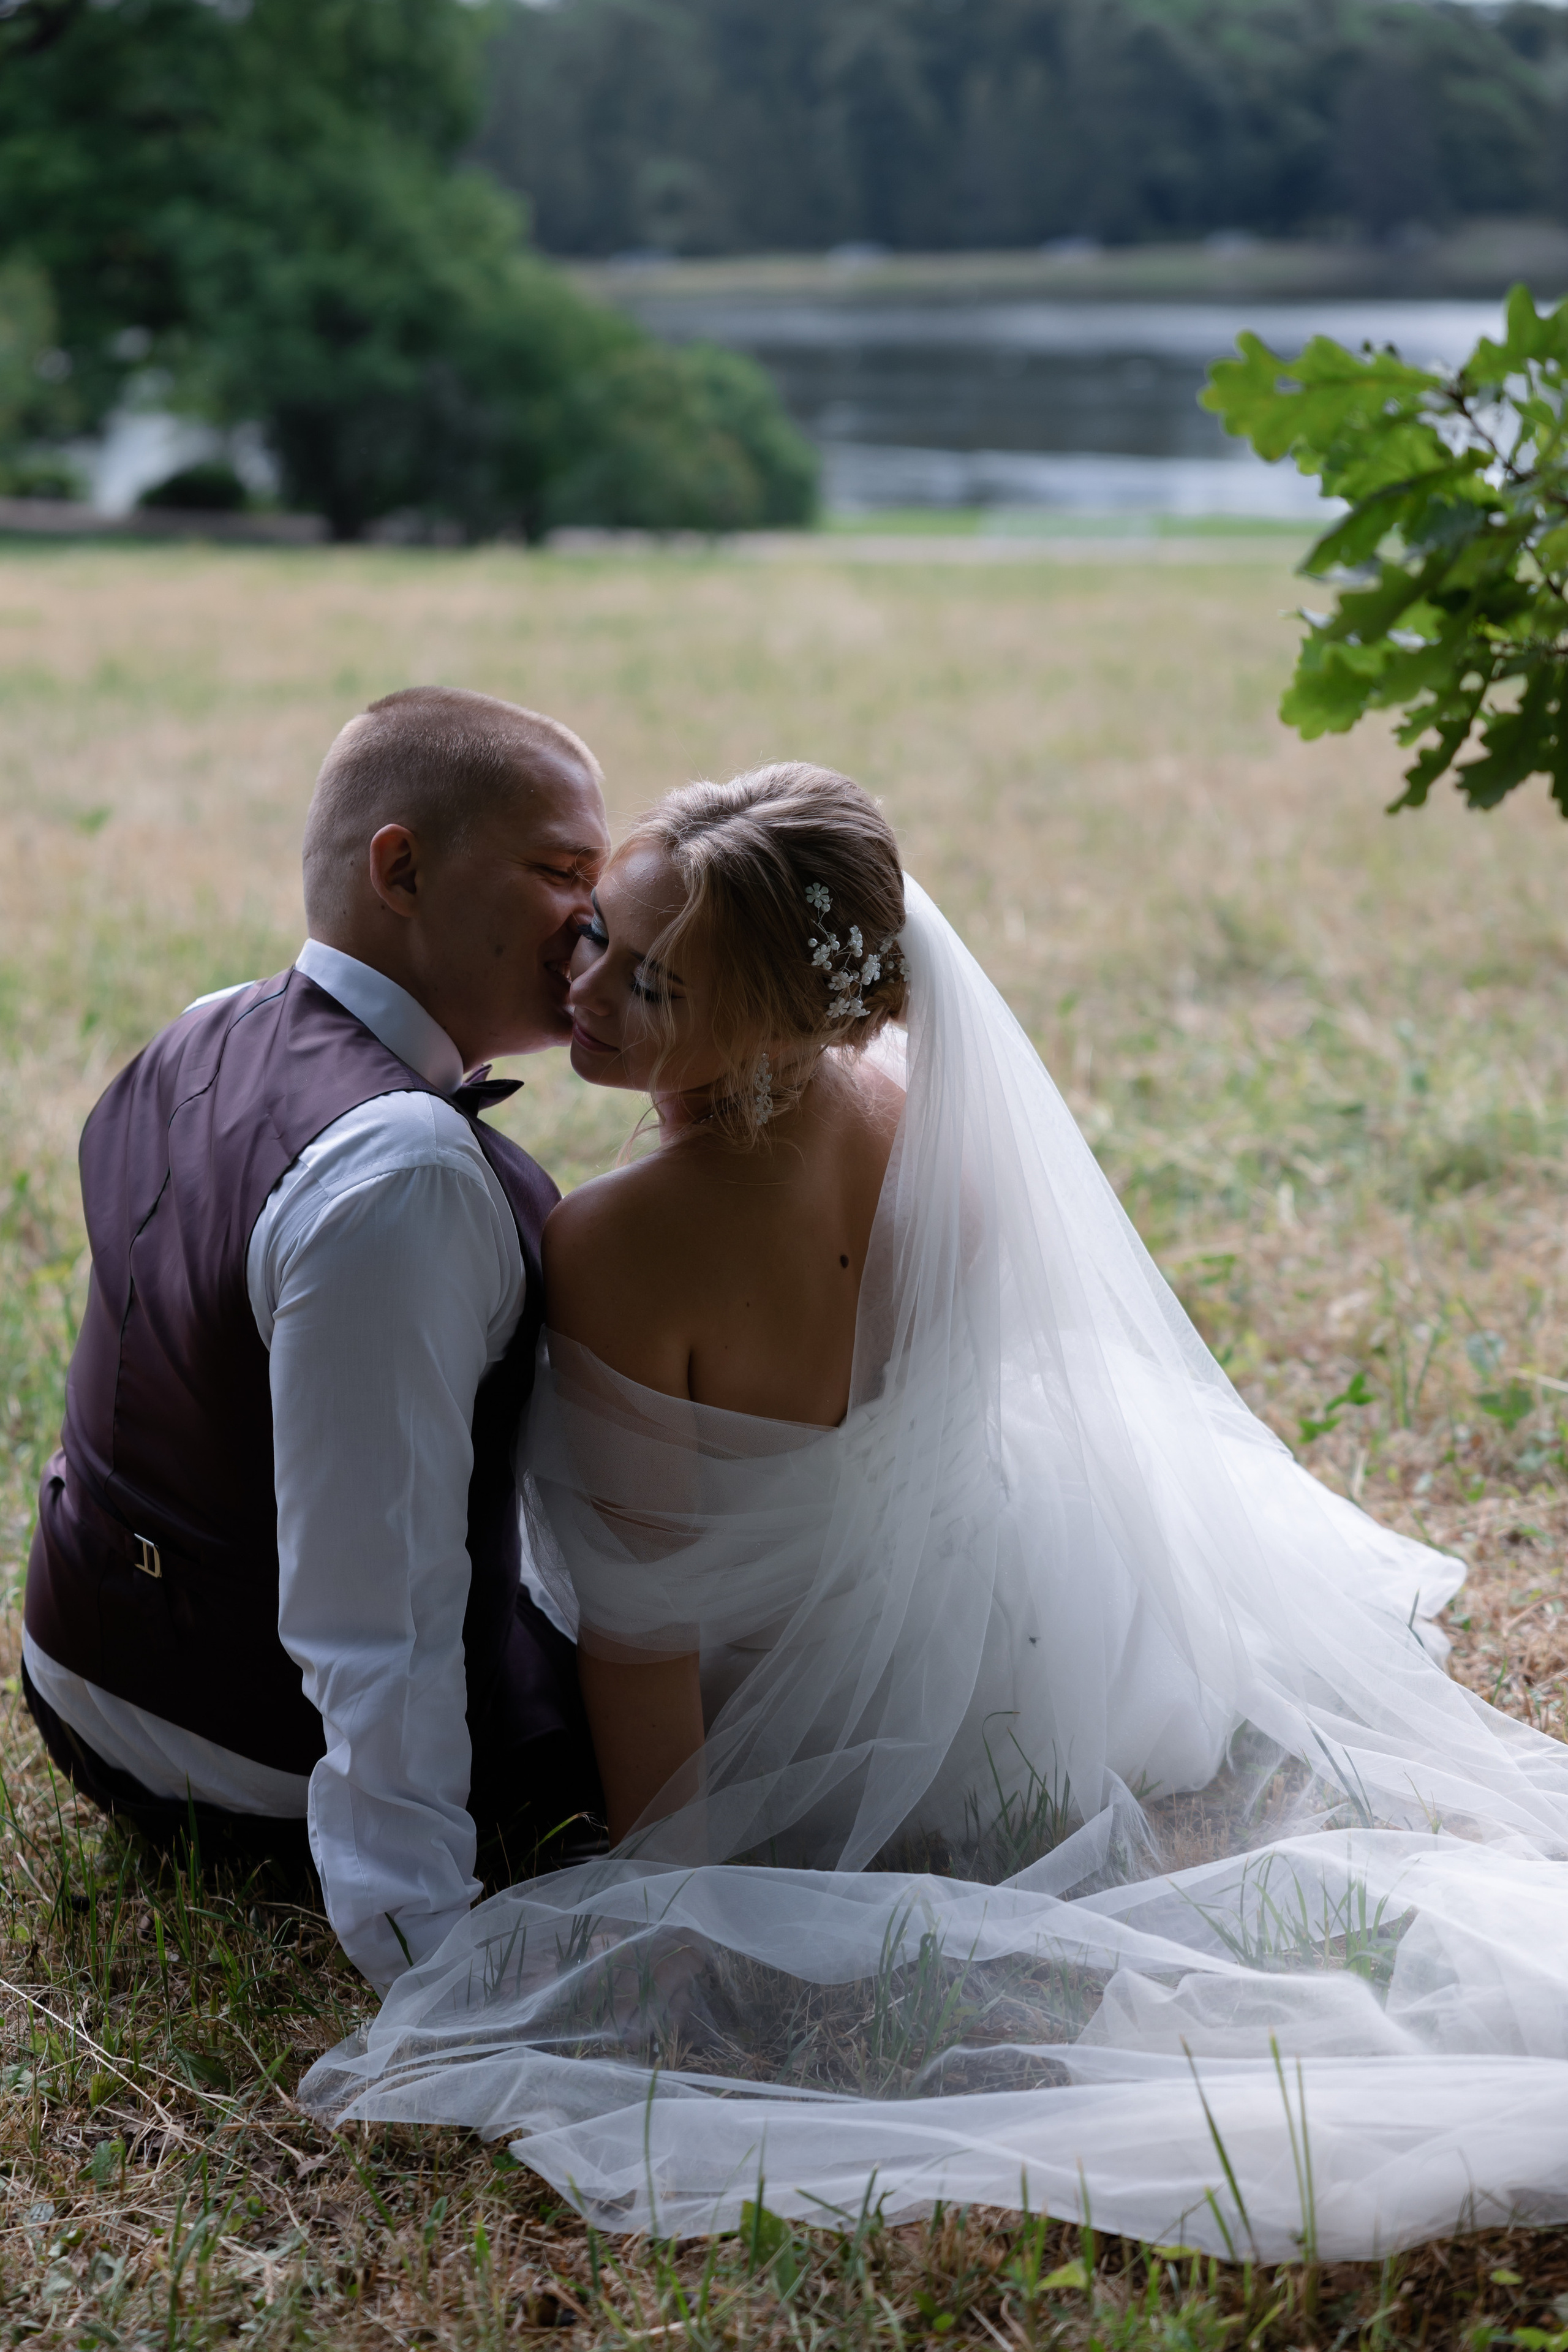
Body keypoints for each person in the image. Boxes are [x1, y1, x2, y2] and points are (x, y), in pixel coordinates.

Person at [307, 761, 1568, 2260]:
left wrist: (678, 1913)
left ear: (778, 1016)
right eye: (598, 935)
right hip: (1019, 1649)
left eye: (650, 984)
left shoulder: (624, 1242)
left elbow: (640, 1635)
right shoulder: (918, 1115)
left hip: (791, 1698)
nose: (583, 987)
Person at [22, 686, 611, 1991]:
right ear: (399, 867)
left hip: (74, 1669)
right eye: (561, 873)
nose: (596, 922)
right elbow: (378, 1609)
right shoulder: (404, 1171)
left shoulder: (204, 1024)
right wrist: (421, 1949)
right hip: (234, 1743)